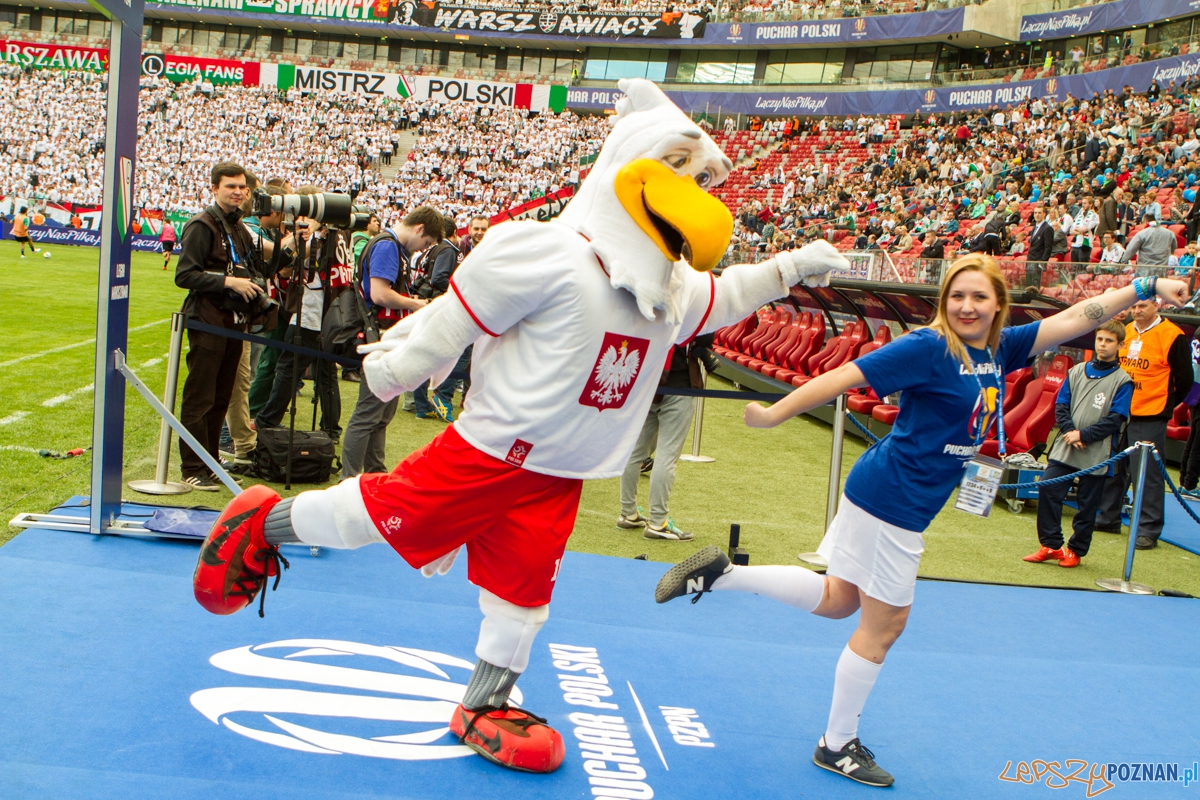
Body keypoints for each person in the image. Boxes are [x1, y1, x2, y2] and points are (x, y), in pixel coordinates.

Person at [654, 256, 1188, 788]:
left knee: (841, 600)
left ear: (998, 304)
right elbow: (846, 374)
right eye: (957, 295)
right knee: (884, 625)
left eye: (979, 296)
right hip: (893, 500)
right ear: (943, 302)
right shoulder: (929, 347)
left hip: (887, 495)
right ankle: (836, 744)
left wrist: (1143, 287)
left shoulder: (1001, 347)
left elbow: (1081, 316)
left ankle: (724, 575)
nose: (967, 306)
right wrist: (774, 413)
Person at [174, 162, 266, 491]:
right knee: (200, 397)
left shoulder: (239, 227)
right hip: (208, 320)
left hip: (234, 323)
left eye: (242, 187)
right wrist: (228, 282)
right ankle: (192, 467)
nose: (238, 192)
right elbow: (184, 275)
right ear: (215, 188)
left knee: (221, 397)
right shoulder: (203, 224)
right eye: (231, 187)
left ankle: (210, 462)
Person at [338, 206, 440, 478]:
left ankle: (373, 475)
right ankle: (350, 480)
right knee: (369, 414)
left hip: (386, 337)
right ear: (419, 228)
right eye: (426, 242)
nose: (421, 249)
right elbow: (381, 294)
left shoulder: (391, 246)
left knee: (381, 415)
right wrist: (417, 303)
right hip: (380, 336)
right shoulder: (387, 246)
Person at [1025, 321, 1133, 568]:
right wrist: (1071, 431)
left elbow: (1116, 420)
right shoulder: (1076, 371)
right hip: (1066, 445)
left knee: (1087, 505)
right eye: (1100, 340)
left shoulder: (1123, 381)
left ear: (1120, 345)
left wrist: (1083, 436)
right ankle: (1051, 545)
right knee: (1048, 489)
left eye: (1109, 341)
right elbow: (1061, 405)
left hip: (1097, 452)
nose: (1103, 345)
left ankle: (1076, 550)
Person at [1095, 294, 1194, 547]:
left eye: (1143, 306)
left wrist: (1165, 405)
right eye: (1134, 306)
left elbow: (1184, 379)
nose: (1137, 310)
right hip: (1121, 412)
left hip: (1151, 414)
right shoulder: (1126, 331)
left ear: (1156, 306)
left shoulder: (1173, 335)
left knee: (1147, 474)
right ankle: (1108, 518)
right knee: (1114, 468)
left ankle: (1148, 530)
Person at [616, 340, 706, 541]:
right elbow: (706, 337)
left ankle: (628, 513)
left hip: (647, 385)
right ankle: (658, 522)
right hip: (678, 386)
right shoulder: (688, 310)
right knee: (667, 456)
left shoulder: (648, 309)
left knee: (636, 452)